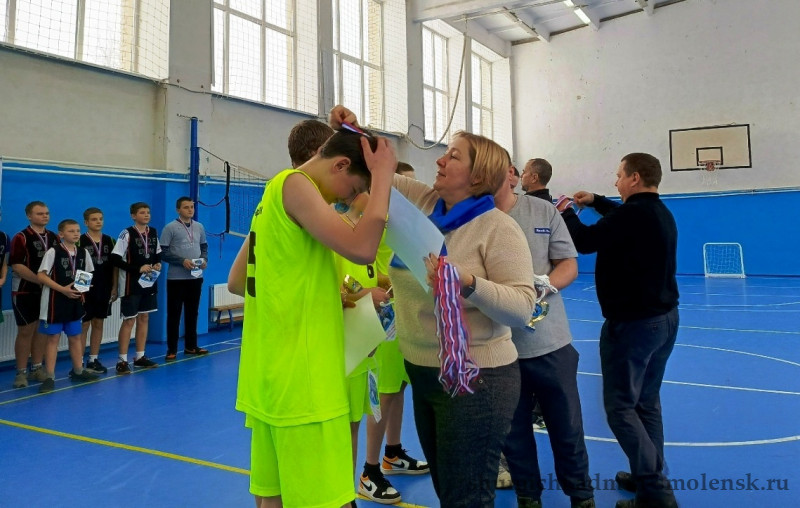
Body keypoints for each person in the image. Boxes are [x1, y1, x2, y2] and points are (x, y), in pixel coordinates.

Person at [228, 114, 396, 508]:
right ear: (339, 165)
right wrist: (383, 177)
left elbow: (237, 281)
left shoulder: (272, 198)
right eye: (354, 188)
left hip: (269, 377)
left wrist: (327, 296)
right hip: (305, 384)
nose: (347, 199)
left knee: (272, 498)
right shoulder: (295, 185)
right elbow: (363, 248)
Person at [390, 130, 537, 506]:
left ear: (478, 174)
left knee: (465, 499)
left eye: (453, 156)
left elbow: (522, 307)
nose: (440, 160)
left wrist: (469, 283)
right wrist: (352, 129)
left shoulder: (498, 227)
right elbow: (373, 169)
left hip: (477, 379)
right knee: (449, 493)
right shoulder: (424, 202)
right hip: (423, 372)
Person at [557, 153, 679, 508]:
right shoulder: (656, 211)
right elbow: (619, 216)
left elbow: (584, 241)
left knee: (621, 408)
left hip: (634, 325)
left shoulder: (632, 215)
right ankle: (648, 477)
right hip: (664, 320)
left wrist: (566, 211)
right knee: (646, 403)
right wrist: (596, 201)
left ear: (635, 178)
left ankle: (656, 493)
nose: (616, 182)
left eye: (619, 176)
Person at [494, 163, 595, 508]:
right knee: (514, 434)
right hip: (499, 348)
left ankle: (582, 496)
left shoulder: (542, 211)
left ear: (509, 174)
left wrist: (544, 286)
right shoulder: (471, 218)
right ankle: (528, 497)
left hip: (551, 343)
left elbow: (568, 263)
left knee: (567, 429)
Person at [360, 162, 430, 505]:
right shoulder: (372, 219)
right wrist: (390, 282)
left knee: (398, 388)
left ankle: (393, 453)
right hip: (384, 317)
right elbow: (363, 268)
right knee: (383, 394)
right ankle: (369, 471)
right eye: (402, 185)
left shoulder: (404, 223)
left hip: (405, 315)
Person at [37, 219, 99, 393]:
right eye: (71, 231)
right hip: (54, 302)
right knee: (53, 339)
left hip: (74, 302)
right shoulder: (53, 252)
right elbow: (41, 276)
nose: (76, 233)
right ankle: (49, 377)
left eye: (78, 230)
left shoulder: (83, 252)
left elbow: (87, 274)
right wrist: (62, 290)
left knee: (75, 337)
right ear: (61, 234)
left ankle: (78, 371)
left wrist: (84, 289)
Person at [10, 201, 59, 388]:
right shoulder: (21, 237)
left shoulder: (54, 237)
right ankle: (21, 372)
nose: (45, 216)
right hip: (24, 291)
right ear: (29, 216)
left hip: (47, 292)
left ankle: (37, 367)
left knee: (42, 330)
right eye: (40, 213)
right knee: (25, 331)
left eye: (47, 213)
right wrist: (41, 280)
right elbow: (17, 266)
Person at [110, 202, 162, 374]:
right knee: (129, 320)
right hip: (130, 284)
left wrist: (157, 263)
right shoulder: (126, 234)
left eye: (148, 212)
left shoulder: (153, 232)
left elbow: (157, 253)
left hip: (148, 283)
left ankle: (140, 357)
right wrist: (137, 269)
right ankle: (122, 360)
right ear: (133, 216)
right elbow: (115, 259)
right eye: (142, 212)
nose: (146, 215)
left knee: (144, 318)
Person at [160, 197, 209, 360]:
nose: (190, 210)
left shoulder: (199, 226)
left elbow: (204, 247)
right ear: (178, 210)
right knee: (174, 313)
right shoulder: (170, 228)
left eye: (191, 207)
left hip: (196, 277)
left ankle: (191, 346)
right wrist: (181, 261)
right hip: (176, 279)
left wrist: (204, 260)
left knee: (192, 312)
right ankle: (172, 349)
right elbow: (163, 253)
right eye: (186, 207)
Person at [78, 207, 118, 374]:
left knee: (98, 322)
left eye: (100, 218)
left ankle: (93, 359)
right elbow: (75, 266)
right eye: (94, 219)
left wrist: (115, 286)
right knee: (84, 324)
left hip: (104, 288)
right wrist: (79, 290)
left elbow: (115, 266)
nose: (98, 222)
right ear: (86, 222)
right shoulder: (79, 241)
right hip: (86, 289)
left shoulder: (110, 240)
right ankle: (78, 362)